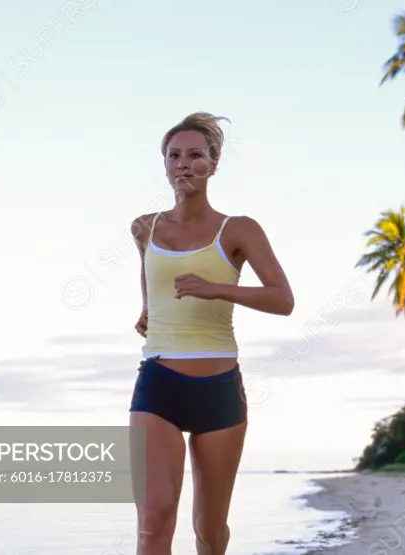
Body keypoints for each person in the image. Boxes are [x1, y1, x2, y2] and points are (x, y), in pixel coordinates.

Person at [128, 111, 294, 555]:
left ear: (213, 164)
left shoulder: (238, 229)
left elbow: (283, 300)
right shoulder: (144, 228)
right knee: (153, 521)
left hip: (219, 389)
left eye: (195, 155)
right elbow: (150, 277)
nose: (183, 163)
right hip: (158, 381)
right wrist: (146, 309)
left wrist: (214, 289)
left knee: (210, 529)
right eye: (174, 155)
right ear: (164, 164)